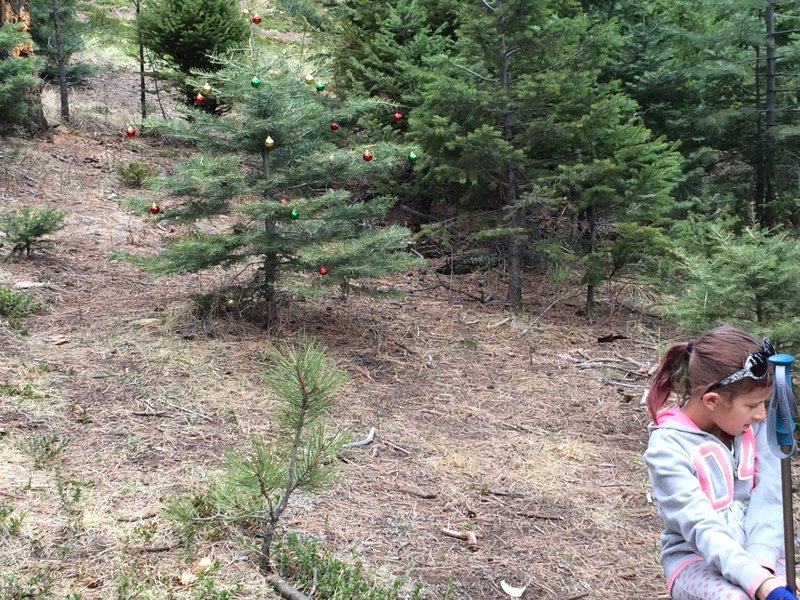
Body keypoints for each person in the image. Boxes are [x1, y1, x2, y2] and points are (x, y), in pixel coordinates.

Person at [644, 325, 797, 600]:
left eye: (764, 403)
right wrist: (756, 581)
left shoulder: (755, 428)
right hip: (697, 562)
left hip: (761, 555)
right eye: (752, 406)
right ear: (712, 401)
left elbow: (771, 495)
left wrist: (762, 564)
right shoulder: (668, 448)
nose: (762, 414)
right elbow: (701, 527)